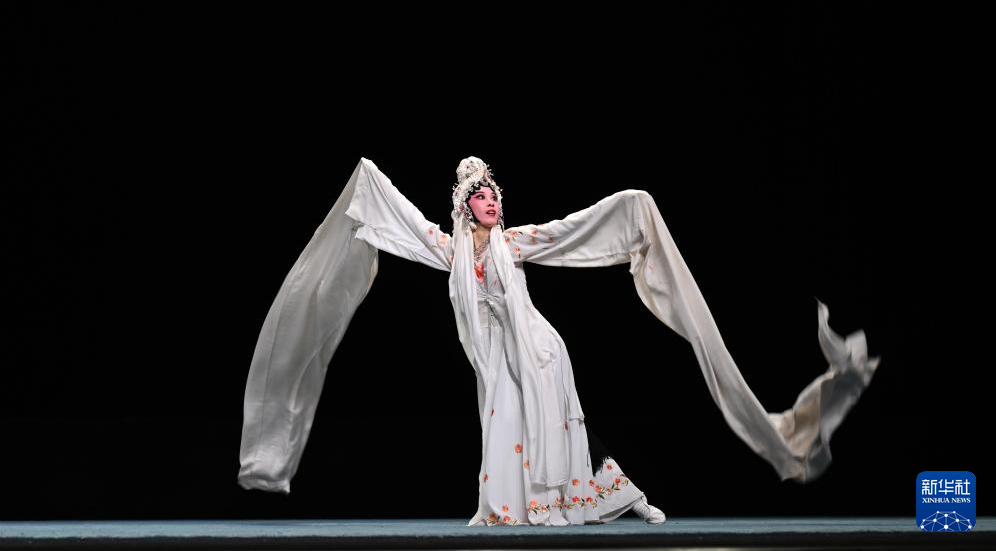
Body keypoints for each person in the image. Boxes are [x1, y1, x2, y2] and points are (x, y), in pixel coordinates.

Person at [237, 156, 879, 527]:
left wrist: (630, 208)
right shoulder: (451, 252)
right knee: (504, 423)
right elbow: (403, 220)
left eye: (494, 192)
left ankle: (625, 499)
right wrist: (369, 183)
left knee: (549, 434)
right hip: (499, 359)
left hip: (540, 351)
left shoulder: (516, 243)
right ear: (464, 206)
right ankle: (517, 508)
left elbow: (575, 229)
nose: (491, 200)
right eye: (480, 195)